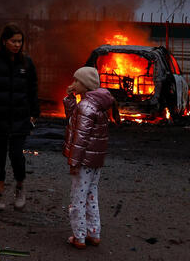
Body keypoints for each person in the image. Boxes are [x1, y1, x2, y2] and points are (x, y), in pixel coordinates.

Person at [0, 23, 39, 211]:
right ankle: (0, 196)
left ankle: (20, 188)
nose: (17, 45)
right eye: (13, 41)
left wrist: (34, 115)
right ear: (4, 41)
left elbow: (32, 90)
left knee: (16, 156)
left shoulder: (26, 63)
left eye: (20, 41)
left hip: (20, 118)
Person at [63, 66, 120, 249]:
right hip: (95, 161)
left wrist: (74, 162)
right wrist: (70, 99)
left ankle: (79, 237)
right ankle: (94, 233)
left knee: (77, 199)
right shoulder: (97, 104)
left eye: (76, 81)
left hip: (83, 162)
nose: (73, 84)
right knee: (91, 196)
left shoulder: (86, 106)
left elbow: (80, 138)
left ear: (86, 84)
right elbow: (74, 118)